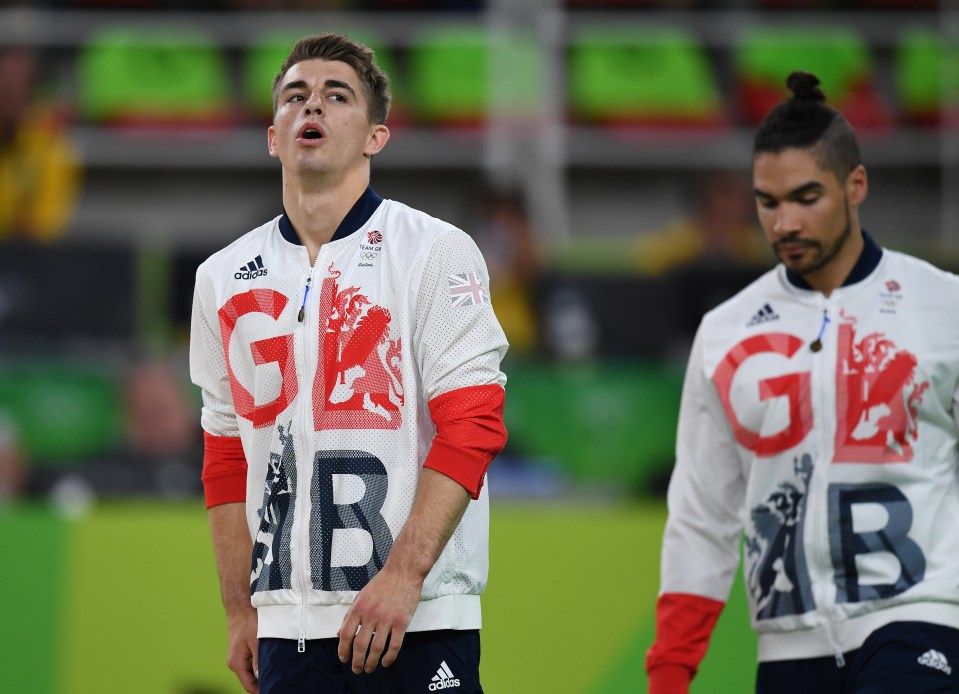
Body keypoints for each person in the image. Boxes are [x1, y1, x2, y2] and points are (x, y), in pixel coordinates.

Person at [189, 33, 508, 694]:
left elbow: (473, 425)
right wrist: (240, 608)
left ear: (375, 136)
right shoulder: (220, 277)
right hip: (288, 631)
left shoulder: (433, 252)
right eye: (295, 96)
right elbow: (226, 455)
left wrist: (404, 575)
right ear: (273, 135)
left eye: (337, 96)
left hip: (415, 621)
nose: (313, 107)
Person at [646, 71, 959, 693]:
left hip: (920, 620)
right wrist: (670, 674)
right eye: (768, 201)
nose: (784, 221)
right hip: (789, 646)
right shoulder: (725, 331)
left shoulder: (943, 306)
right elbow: (702, 513)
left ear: (856, 186)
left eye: (806, 197)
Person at [0, 45, 81, 243]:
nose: (13, 92)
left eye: (22, 84)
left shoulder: (50, 146)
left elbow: (45, 226)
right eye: (6, 83)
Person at [632, 170, 772, 276]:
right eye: (725, 196)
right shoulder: (683, 235)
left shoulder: (753, 240)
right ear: (706, 200)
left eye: (740, 198)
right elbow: (646, 261)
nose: (733, 206)